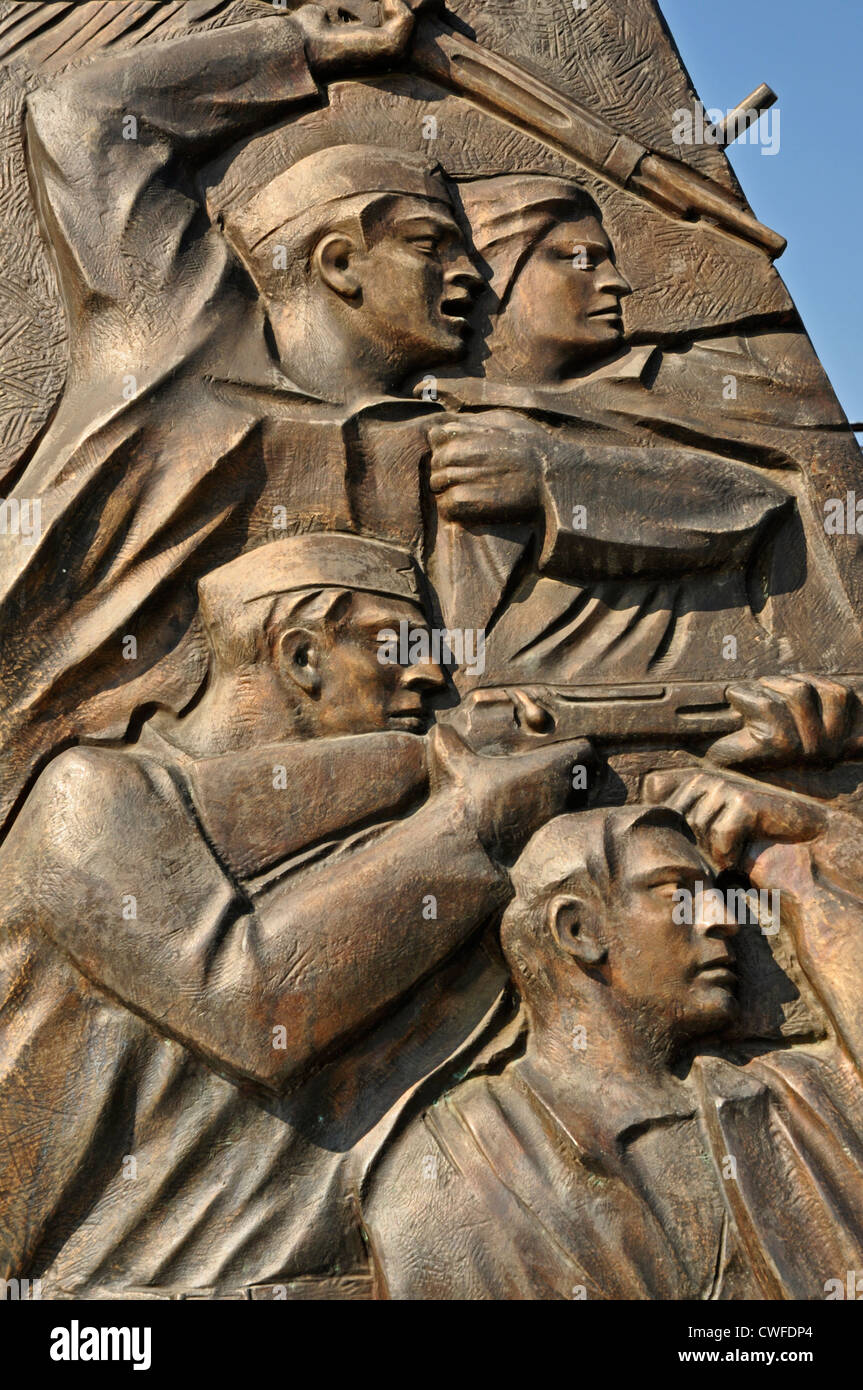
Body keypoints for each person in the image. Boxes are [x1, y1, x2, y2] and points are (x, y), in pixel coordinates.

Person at [0, 532, 590, 1299]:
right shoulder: (92, 798)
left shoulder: (389, 814)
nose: (431, 674)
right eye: (396, 645)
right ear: (302, 657)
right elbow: (255, 1006)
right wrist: (471, 823)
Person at [0, 0, 483, 835]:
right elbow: (82, 118)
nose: (473, 276)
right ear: (337, 263)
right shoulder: (177, 335)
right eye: (429, 244)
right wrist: (299, 47)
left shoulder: (425, 452)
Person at [363, 682, 863, 1299]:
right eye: (678, 892)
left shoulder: (785, 1106)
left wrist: (810, 849)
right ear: (579, 930)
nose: (724, 917)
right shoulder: (449, 1172)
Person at [420, 174, 863, 682]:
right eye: (578, 258)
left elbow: (760, 500)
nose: (616, 281)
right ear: (494, 273)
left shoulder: (697, 382)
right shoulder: (429, 417)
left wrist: (552, 478)